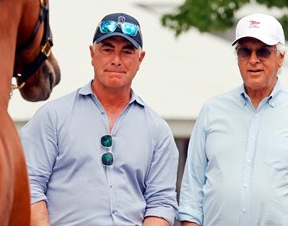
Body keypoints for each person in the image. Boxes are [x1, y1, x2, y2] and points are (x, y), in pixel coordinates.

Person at [178, 13, 288, 226]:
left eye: (263, 51)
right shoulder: (211, 110)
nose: (253, 60)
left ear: (281, 57)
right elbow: (192, 191)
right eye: (245, 51)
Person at [21, 12, 179, 226]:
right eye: (107, 49)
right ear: (92, 53)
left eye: (127, 51)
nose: (116, 60)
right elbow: (28, 184)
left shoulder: (157, 130)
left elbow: (161, 201)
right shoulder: (53, 117)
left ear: (140, 59)